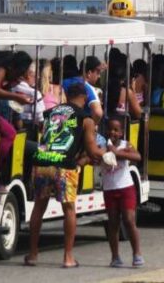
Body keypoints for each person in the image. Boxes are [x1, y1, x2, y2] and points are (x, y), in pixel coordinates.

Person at [26, 83, 105, 268]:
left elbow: (47, 136)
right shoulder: (86, 119)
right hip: (64, 167)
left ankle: (32, 254)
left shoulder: (50, 113)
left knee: (39, 207)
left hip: (42, 162)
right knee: (69, 209)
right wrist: (108, 154)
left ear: (67, 96)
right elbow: (92, 151)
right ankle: (68, 257)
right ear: (85, 98)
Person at [102, 117, 144, 268]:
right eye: (110, 129)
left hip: (126, 188)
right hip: (109, 189)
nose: (112, 132)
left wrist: (118, 153)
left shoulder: (126, 145)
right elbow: (91, 156)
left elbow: (137, 156)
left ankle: (137, 254)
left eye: (116, 130)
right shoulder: (102, 145)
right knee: (113, 223)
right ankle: (115, 257)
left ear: (121, 133)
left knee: (128, 220)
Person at [62, 55, 104, 122]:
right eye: (97, 72)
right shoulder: (87, 87)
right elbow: (98, 112)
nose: (99, 76)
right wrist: (92, 125)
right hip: (80, 126)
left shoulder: (63, 82)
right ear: (89, 73)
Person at [12, 61, 47, 126]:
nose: (38, 77)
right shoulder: (34, 93)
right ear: (29, 75)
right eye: (36, 74)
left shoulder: (11, 89)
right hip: (30, 124)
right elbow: (39, 113)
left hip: (13, 122)